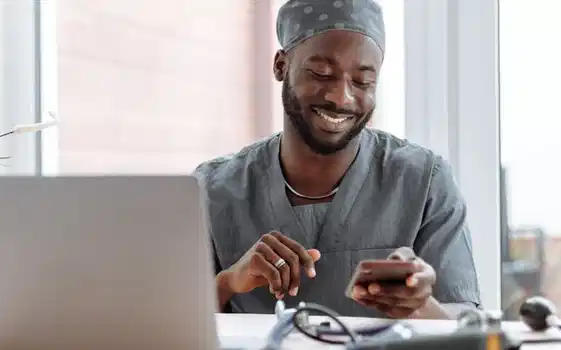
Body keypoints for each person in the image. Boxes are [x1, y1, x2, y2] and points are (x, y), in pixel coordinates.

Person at [193, 0, 481, 320]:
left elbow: (465, 322)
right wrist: (228, 282)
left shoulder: (424, 181)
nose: (341, 97)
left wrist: (420, 304)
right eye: (321, 73)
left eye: (362, 81)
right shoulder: (213, 190)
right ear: (281, 66)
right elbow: (161, 321)